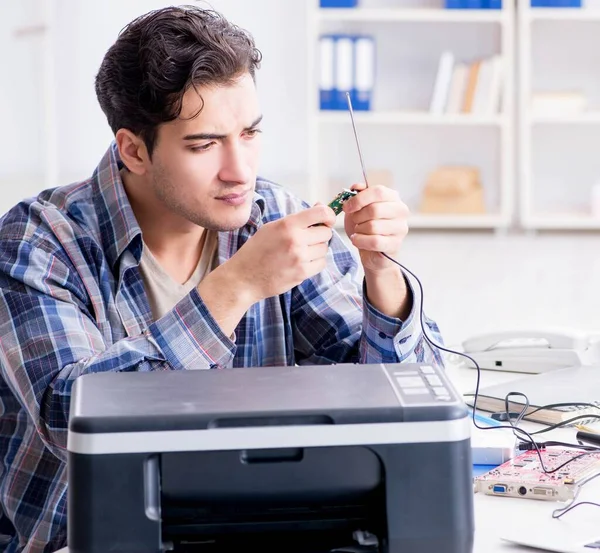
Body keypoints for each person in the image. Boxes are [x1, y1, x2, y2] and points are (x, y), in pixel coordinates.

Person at [0, 5, 443, 552]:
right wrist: (235, 287)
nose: (240, 170)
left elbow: (409, 406)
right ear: (134, 150)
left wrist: (381, 274)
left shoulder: (273, 213)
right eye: (205, 144)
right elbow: (70, 414)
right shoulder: (39, 240)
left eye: (250, 133)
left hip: (262, 529)